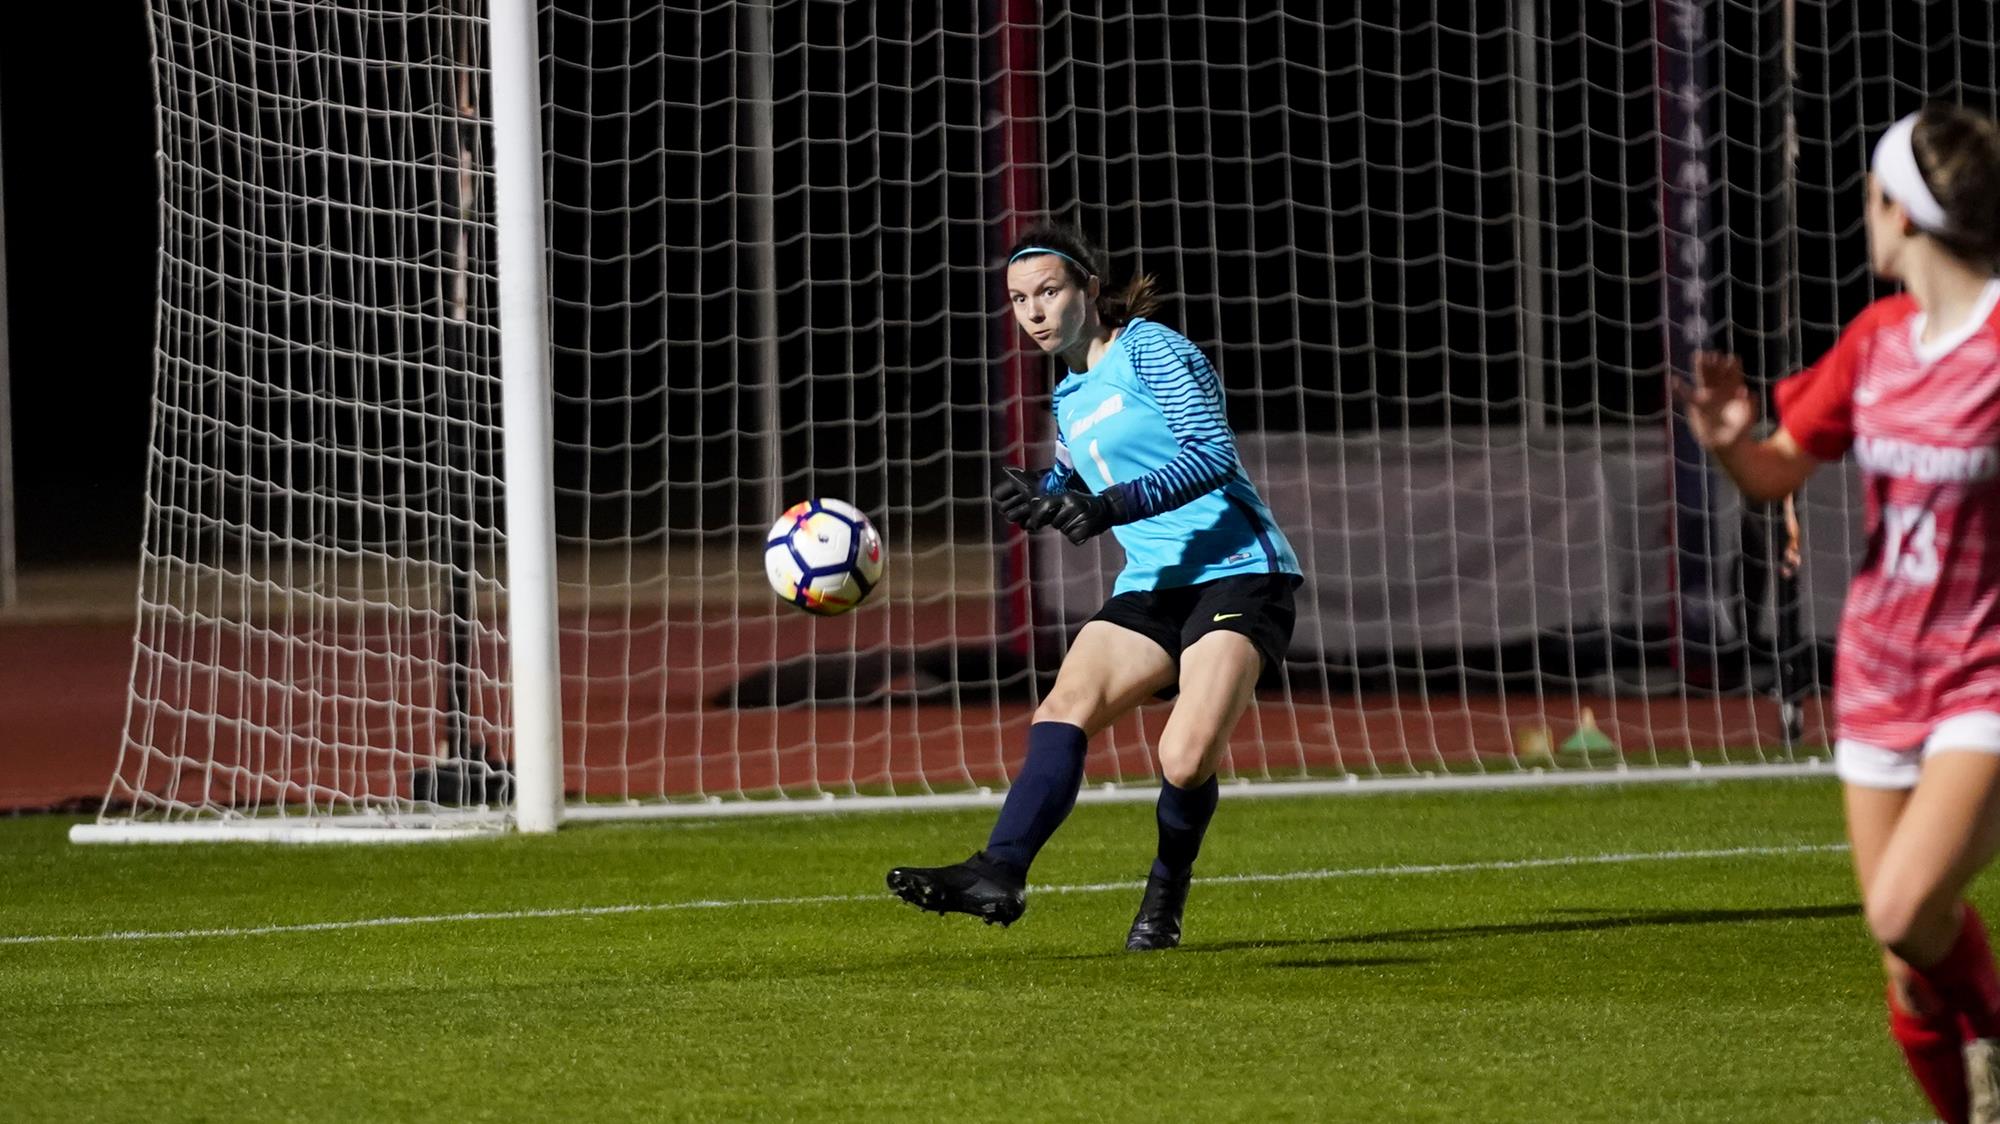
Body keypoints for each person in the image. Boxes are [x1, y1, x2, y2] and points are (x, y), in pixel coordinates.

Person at [1680, 104, 2000, 1124]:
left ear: (1901, 212)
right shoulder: (1875, 340)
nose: (1860, 216)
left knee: (1901, 907)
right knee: (1909, 966)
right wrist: (1733, 440)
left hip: (1978, 675)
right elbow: (1777, 468)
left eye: (1869, 196)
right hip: (1874, 677)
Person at [886, 223, 1303, 951]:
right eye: (1019, 300)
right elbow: (1079, 480)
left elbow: (1210, 454)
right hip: (1152, 585)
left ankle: (1166, 889)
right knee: (1064, 706)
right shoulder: (1071, 393)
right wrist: (1042, 493)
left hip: (1239, 570)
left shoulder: (1151, 347)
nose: (1034, 312)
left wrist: (1104, 507)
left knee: (1183, 758)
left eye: (1049, 291)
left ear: (1089, 289)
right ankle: (1000, 870)